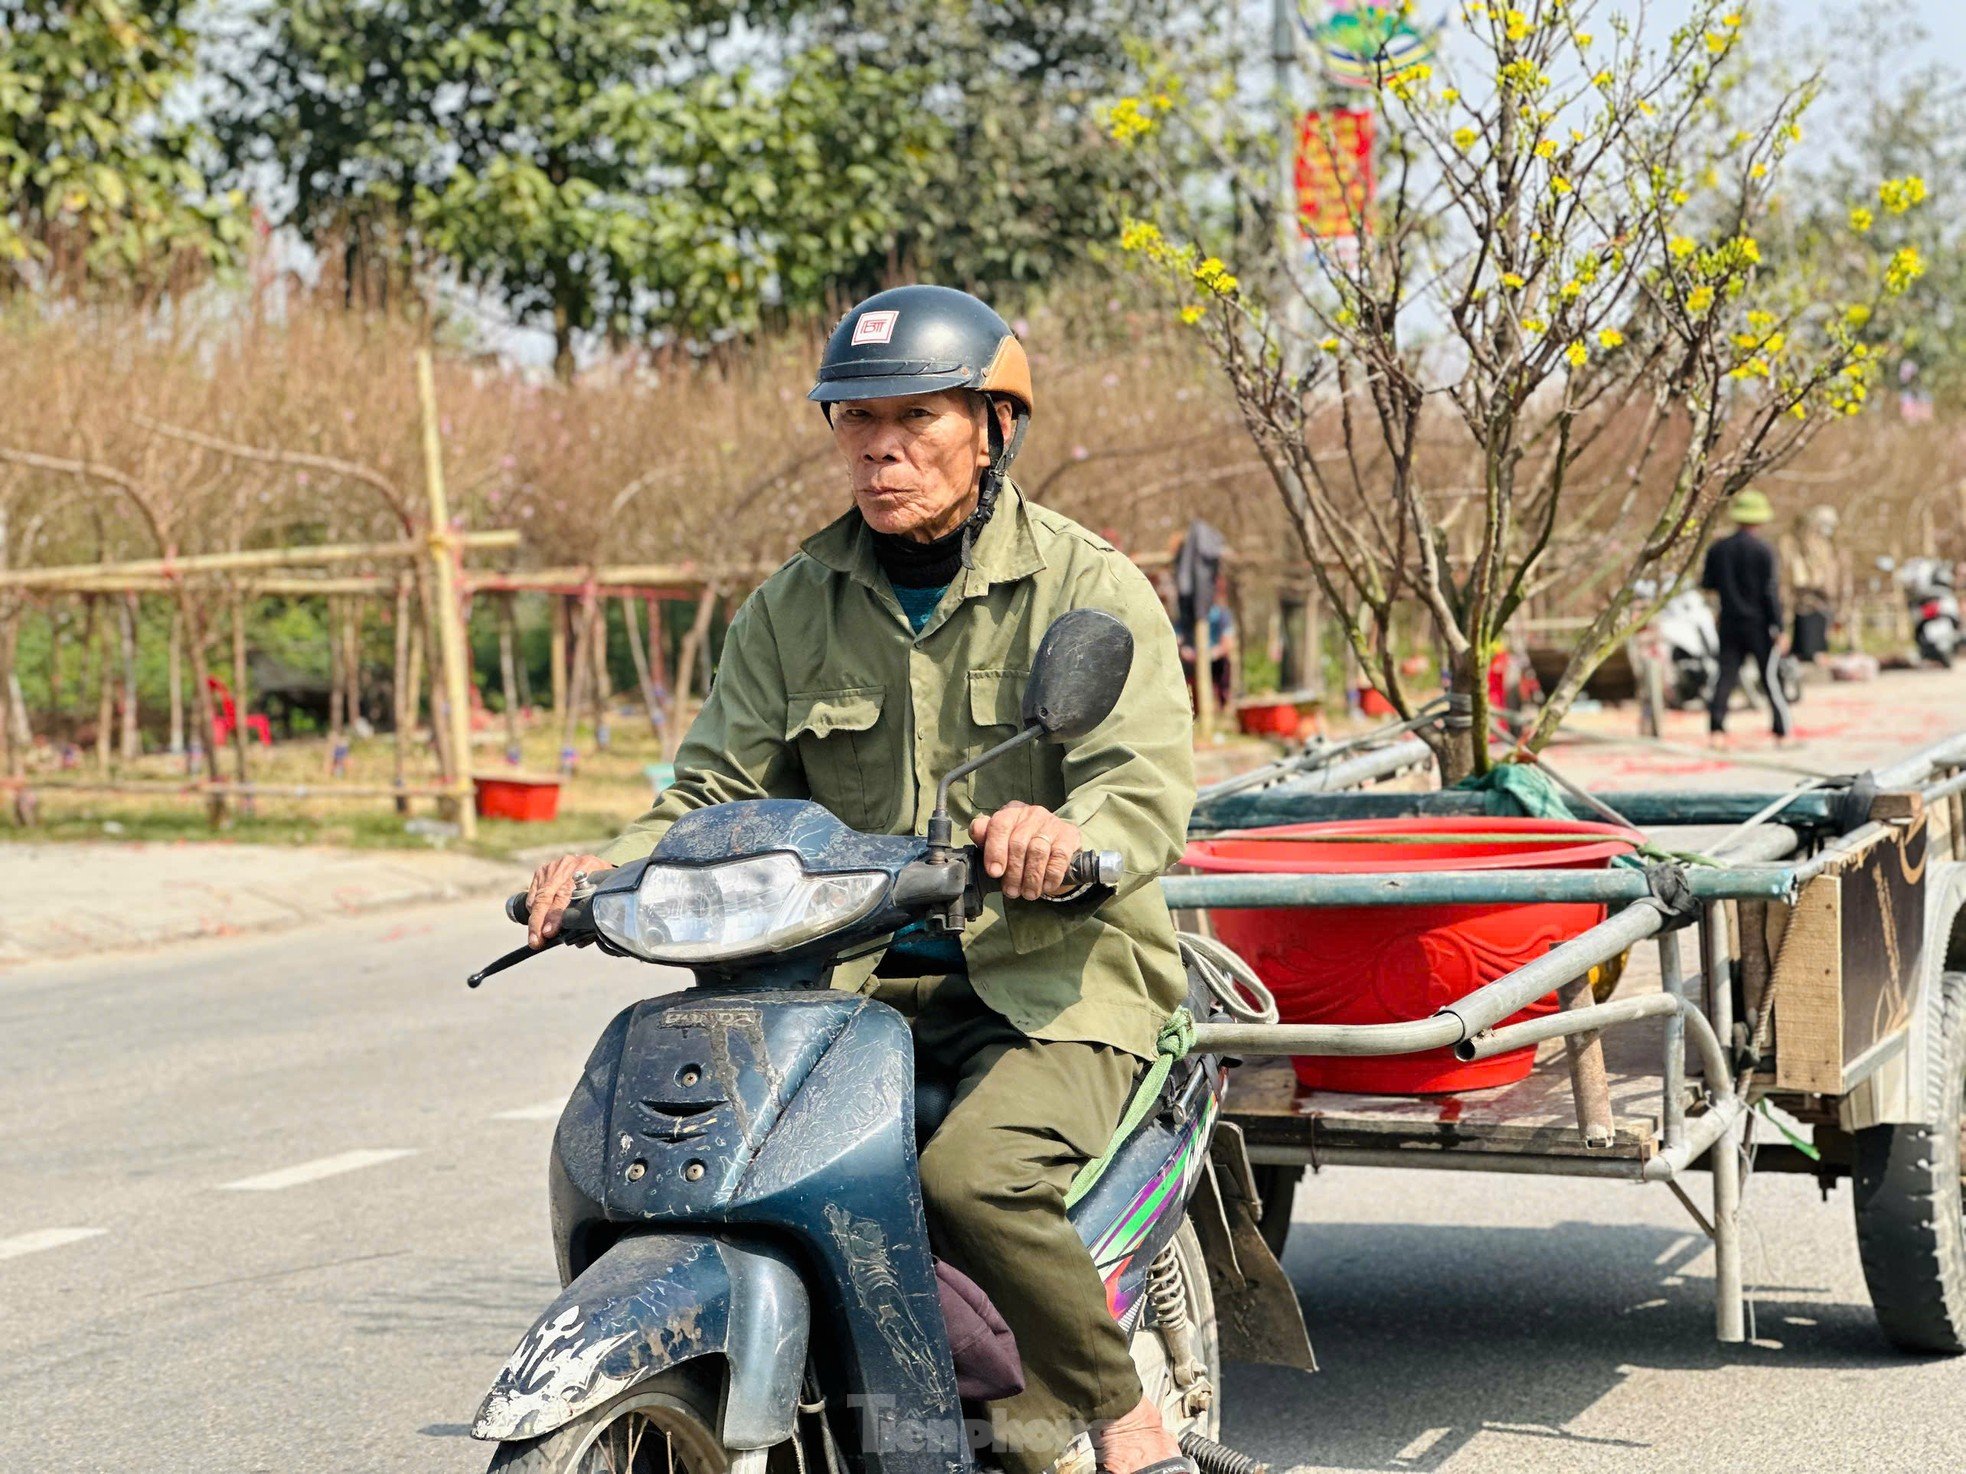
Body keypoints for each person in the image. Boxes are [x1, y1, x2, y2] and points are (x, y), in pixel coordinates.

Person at [524, 285, 1197, 1474]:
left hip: (1054, 982)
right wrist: (607, 868)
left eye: (917, 417)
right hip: (848, 992)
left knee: (971, 1179)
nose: (881, 447)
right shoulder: (796, 604)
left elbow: (1138, 789)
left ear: (991, 427)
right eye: (854, 420)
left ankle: (1118, 1414)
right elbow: (709, 792)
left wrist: (1062, 832)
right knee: (715, 1167)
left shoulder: (1086, 586)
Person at [1701, 487, 1791, 745]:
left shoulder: (1718, 549)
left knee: (1726, 676)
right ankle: (1780, 731)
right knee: (1771, 677)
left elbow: (1708, 583)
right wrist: (1780, 627)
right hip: (1759, 624)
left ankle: (1716, 729)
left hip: (1728, 621)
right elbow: (1770, 592)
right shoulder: (1764, 551)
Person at [1783, 503, 1846, 663]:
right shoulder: (1800, 543)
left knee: (1818, 629)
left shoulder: (1826, 544)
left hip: (1821, 599)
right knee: (1807, 633)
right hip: (1807, 598)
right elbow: (1801, 573)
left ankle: (1814, 654)